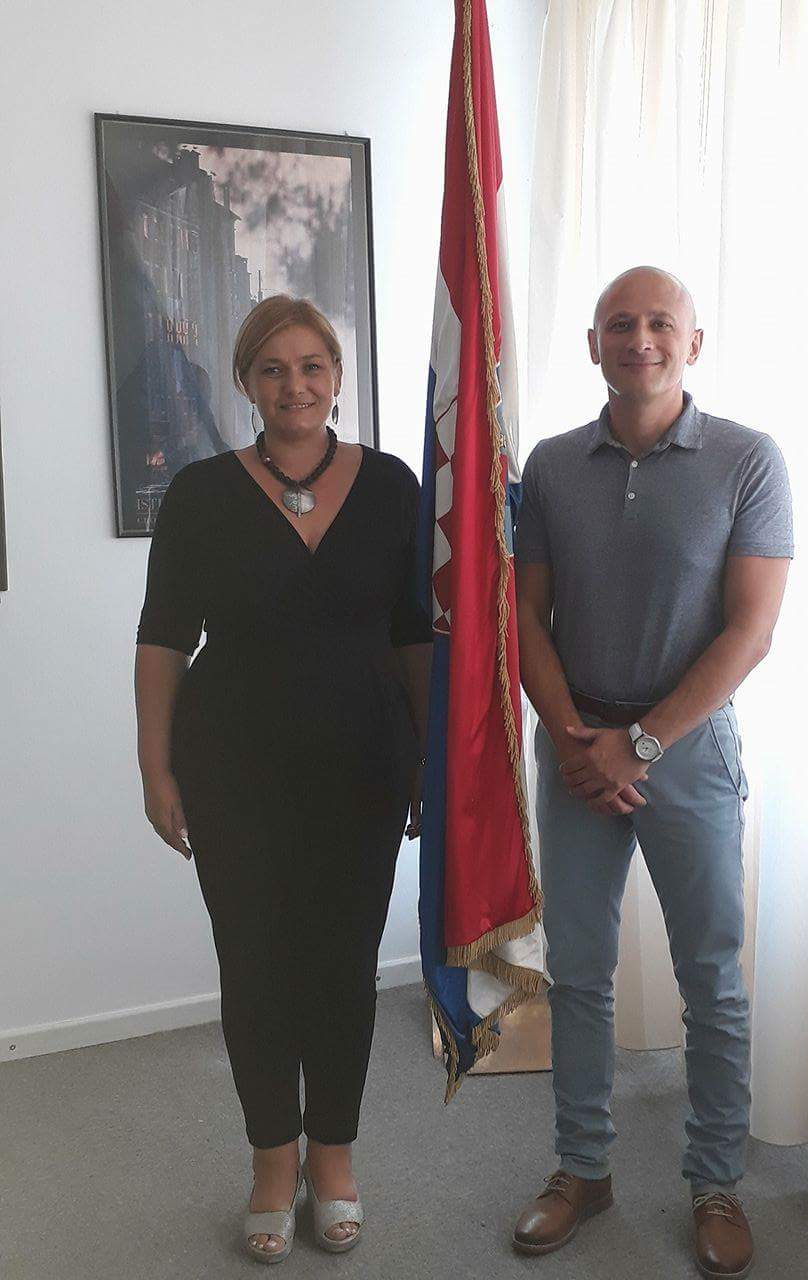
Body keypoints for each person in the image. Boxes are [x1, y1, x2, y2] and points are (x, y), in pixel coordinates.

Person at [134, 295, 432, 1263]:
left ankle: (333, 1156)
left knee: (342, 967)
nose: (294, 385)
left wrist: (429, 757)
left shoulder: (391, 486)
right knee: (255, 965)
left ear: (337, 377)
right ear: (245, 383)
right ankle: (273, 1159)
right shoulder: (199, 493)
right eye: (272, 368)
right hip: (232, 766)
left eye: (311, 366)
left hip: (363, 763)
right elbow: (163, 638)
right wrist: (154, 765)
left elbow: (414, 635)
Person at [511, 267, 792, 1278]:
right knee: (578, 972)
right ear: (593, 345)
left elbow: (750, 633)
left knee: (711, 979)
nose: (641, 339)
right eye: (620, 324)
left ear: (693, 342)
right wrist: (575, 737)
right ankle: (582, 1169)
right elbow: (523, 616)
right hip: (576, 742)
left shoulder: (748, 460)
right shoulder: (550, 466)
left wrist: (639, 745)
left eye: (660, 323)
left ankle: (714, 1182)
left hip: (689, 748)